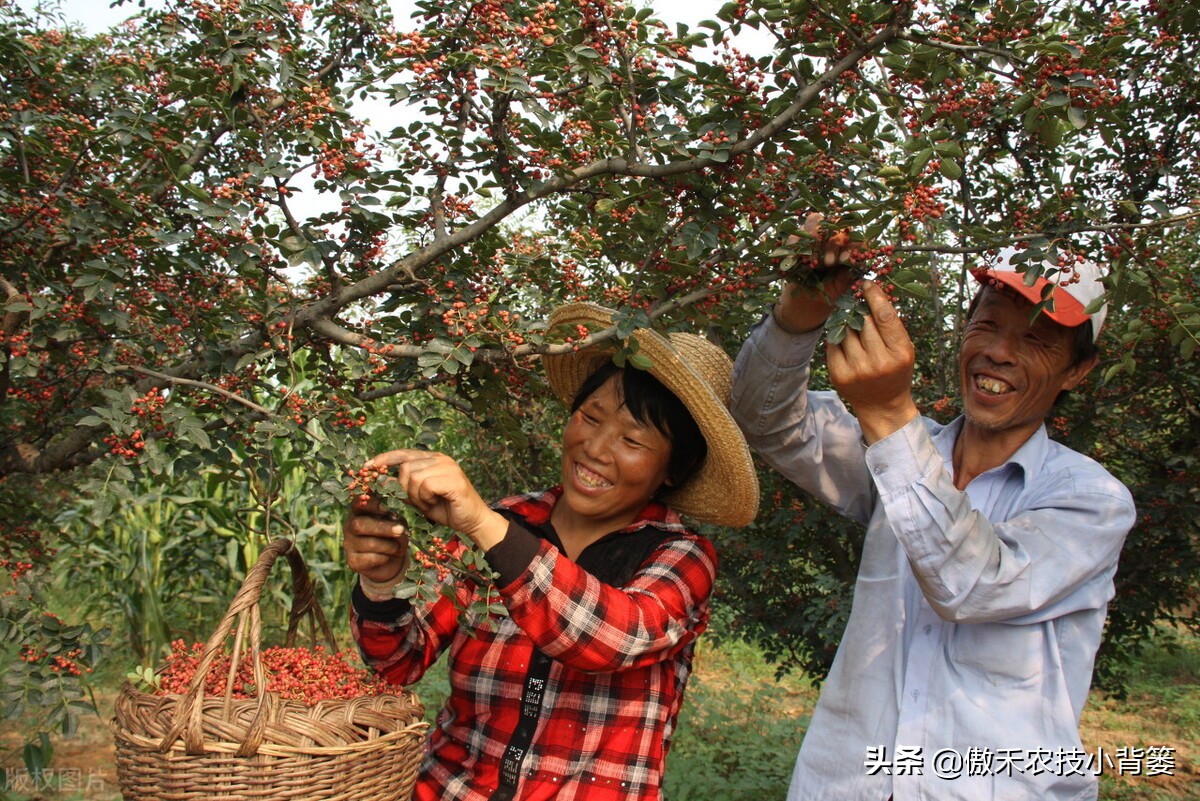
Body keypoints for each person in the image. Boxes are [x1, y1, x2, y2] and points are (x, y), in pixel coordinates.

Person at [729, 239, 1136, 801]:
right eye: (986, 326)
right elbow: (765, 419)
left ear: (1078, 371)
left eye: (1037, 340)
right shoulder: (901, 460)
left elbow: (974, 584)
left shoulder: (1092, 501)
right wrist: (798, 317)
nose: (998, 352)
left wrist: (888, 413)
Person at [344, 301, 759, 801]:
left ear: (672, 470)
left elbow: (613, 638)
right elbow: (397, 663)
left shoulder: (680, 557)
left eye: (632, 439)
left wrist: (481, 522)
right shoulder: (507, 522)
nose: (596, 448)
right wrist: (383, 583)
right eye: (590, 416)